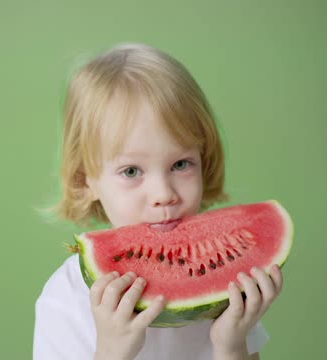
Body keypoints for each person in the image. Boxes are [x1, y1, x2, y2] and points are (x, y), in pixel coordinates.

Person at [33, 42, 284, 360]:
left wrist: (232, 344)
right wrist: (111, 352)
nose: (164, 194)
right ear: (86, 180)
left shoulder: (229, 286)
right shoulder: (66, 299)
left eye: (181, 164)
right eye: (131, 171)